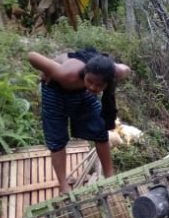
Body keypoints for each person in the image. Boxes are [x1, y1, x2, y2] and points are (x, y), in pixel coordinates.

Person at [27, 48, 132, 194]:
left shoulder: (113, 73)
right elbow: (32, 55)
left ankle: (110, 177)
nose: (93, 87)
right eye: (90, 81)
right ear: (85, 74)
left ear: (107, 82)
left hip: (82, 92)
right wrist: (51, 70)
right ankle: (64, 187)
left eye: (99, 85)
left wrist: (92, 84)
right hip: (54, 90)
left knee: (100, 129)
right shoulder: (67, 75)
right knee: (57, 140)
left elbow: (126, 69)